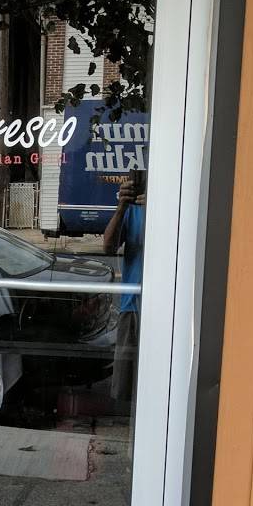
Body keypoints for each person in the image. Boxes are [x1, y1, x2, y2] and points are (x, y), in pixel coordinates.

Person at [104, 170, 146, 409]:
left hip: (164, 307)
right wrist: (121, 207)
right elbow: (108, 247)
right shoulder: (132, 209)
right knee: (128, 385)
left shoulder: (170, 209)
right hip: (132, 306)